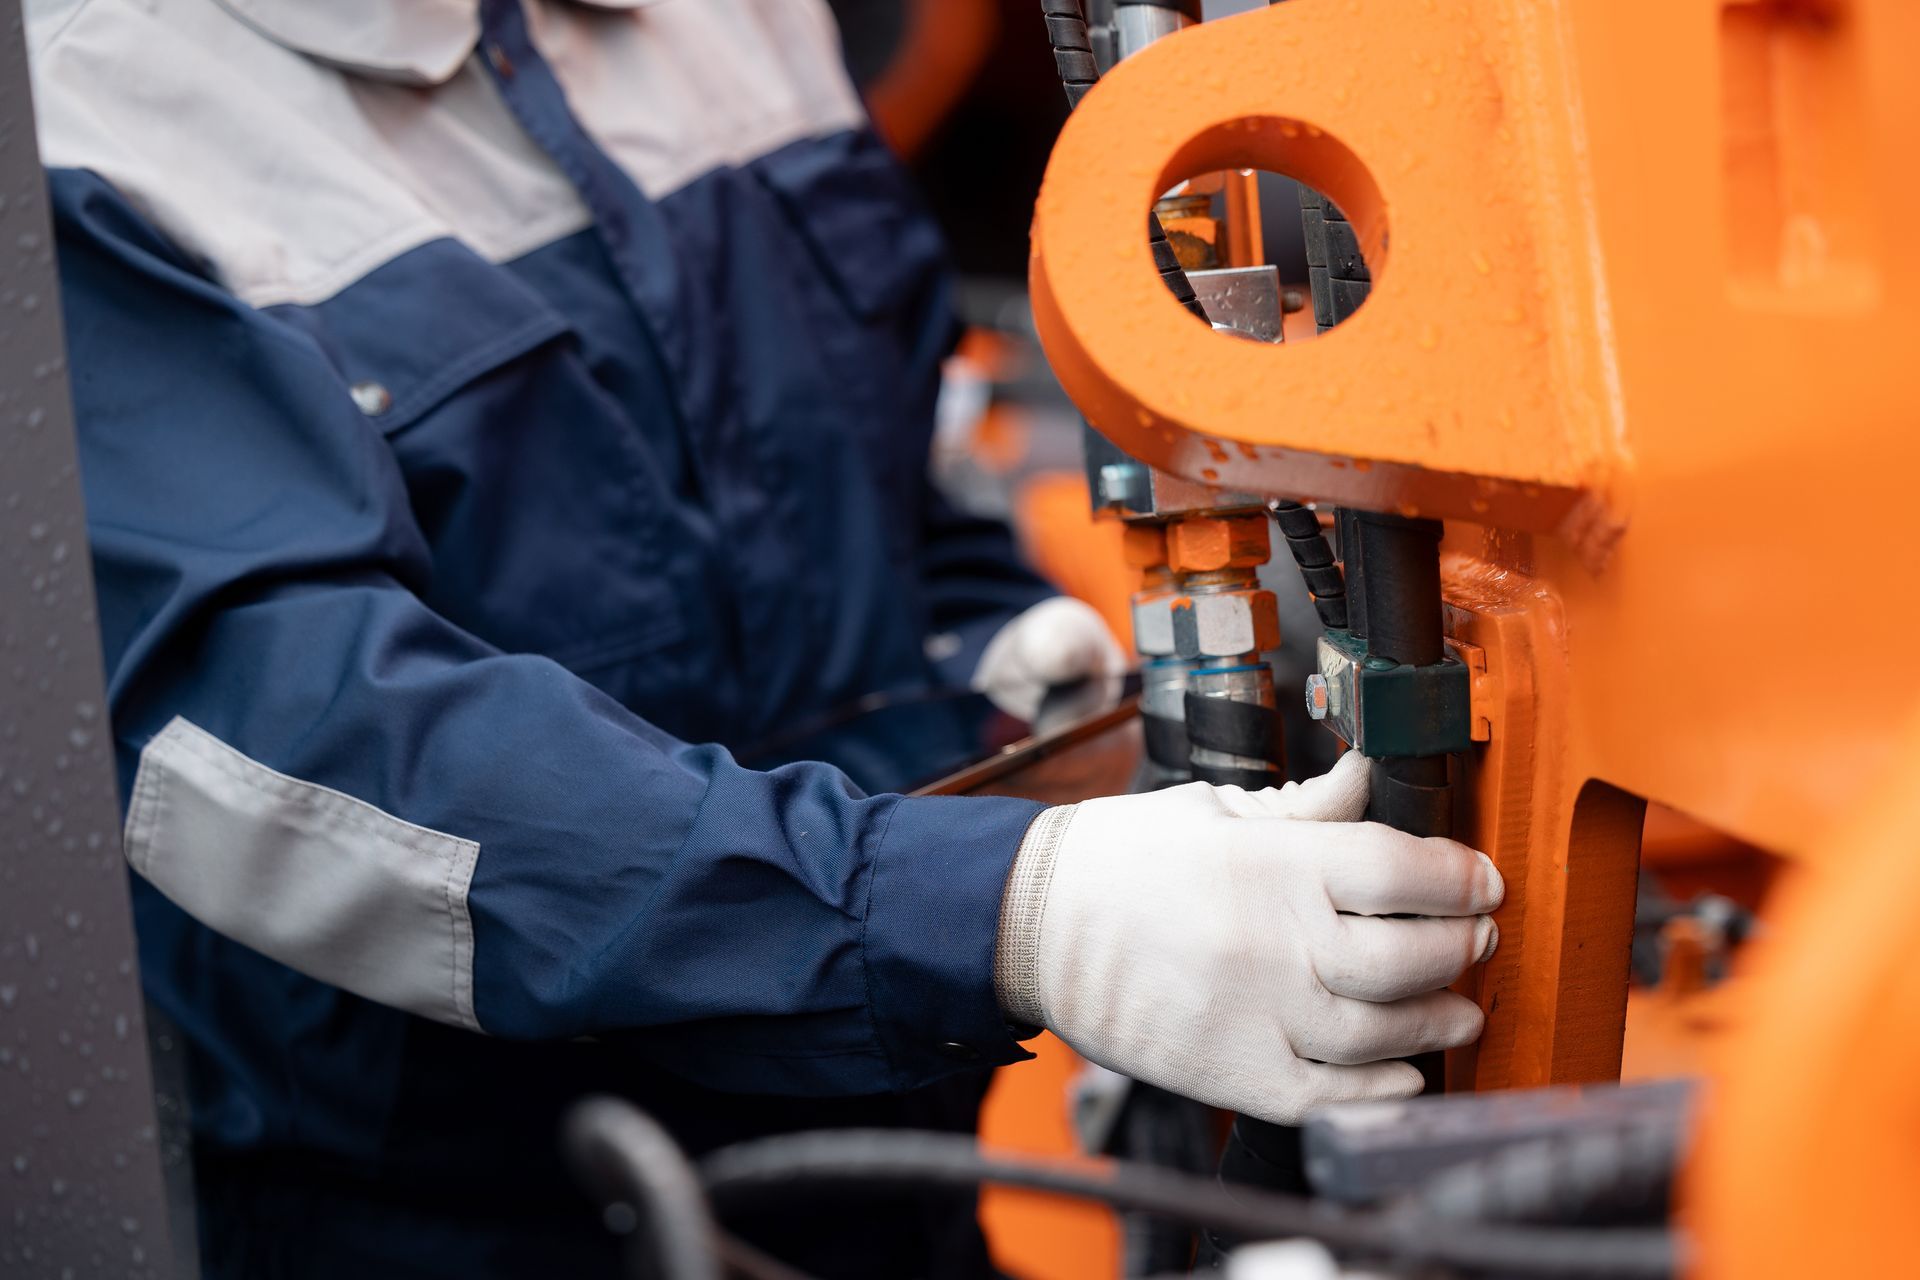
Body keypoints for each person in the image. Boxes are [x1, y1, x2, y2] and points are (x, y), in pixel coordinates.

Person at [27, 1, 1502, 1275]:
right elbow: (288, 748)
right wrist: (1005, 913)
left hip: (909, 1136)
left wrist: (997, 667)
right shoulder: (89, 120)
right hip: (471, 1212)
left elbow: (887, 418)